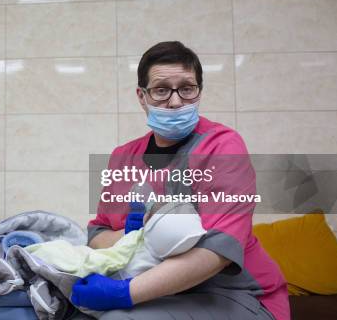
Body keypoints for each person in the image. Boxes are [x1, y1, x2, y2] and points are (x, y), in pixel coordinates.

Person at [71, 42, 290, 319]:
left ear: (199, 92)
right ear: (142, 96)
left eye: (187, 88)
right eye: (161, 90)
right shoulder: (122, 157)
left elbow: (218, 251)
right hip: (157, 288)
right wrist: (131, 236)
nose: (175, 101)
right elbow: (97, 235)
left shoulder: (223, 147)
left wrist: (124, 293)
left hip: (232, 292)